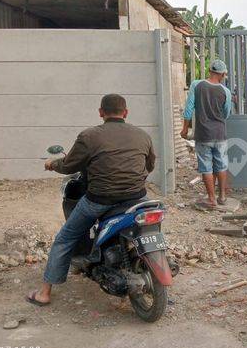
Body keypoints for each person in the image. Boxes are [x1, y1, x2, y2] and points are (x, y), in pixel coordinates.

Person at [26, 94, 156, 306]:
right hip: (137, 198)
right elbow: (149, 166)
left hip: (100, 200)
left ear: (101, 113)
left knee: (65, 238)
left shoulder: (89, 136)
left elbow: (69, 165)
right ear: (126, 113)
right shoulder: (142, 135)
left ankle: (44, 293)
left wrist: (52, 164)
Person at [180, 59, 232, 208]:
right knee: (221, 164)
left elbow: (189, 109)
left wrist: (185, 129)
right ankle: (222, 196)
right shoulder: (226, 92)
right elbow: (226, 114)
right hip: (220, 134)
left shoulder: (197, 85)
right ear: (222, 74)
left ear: (210, 71)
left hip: (203, 135)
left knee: (206, 166)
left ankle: (211, 199)